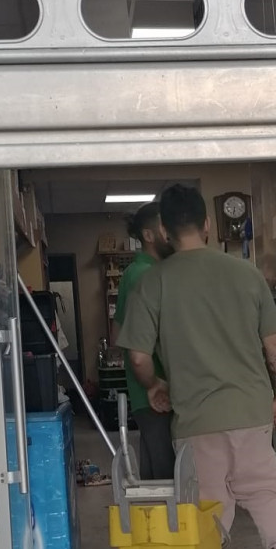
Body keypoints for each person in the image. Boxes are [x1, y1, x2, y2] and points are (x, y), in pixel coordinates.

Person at [117, 183, 276, 549]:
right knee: (266, 492)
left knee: (207, 506)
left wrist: (154, 386)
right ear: (207, 224)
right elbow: (274, 346)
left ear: (165, 232)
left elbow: (136, 357)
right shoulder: (246, 275)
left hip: (195, 418)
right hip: (250, 408)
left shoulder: (153, 283)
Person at [112, 200, 175, 481]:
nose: (171, 232)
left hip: (147, 391)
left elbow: (118, 331)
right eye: (165, 227)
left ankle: (155, 526)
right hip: (156, 389)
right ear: (148, 235)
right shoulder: (147, 275)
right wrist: (154, 381)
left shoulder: (137, 273)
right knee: (169, 478)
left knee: (155, 478)